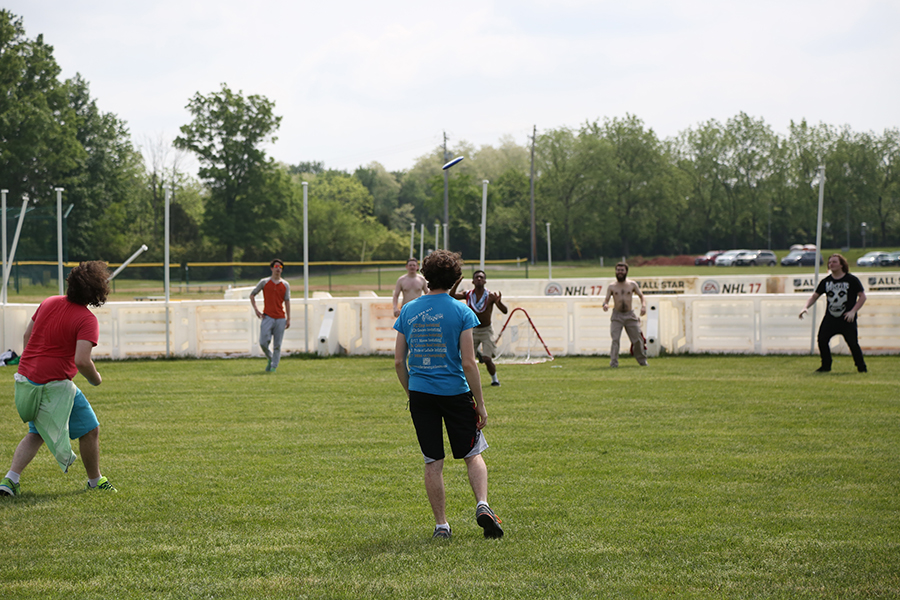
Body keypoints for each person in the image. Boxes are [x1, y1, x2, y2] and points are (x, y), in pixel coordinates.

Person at [393, 250, 504, 540]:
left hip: (421, 394)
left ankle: (442, 525)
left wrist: (411, 391)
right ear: (456, 278)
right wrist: (480, 404)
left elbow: (397, 361)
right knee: (473, 453)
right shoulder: (461, 311)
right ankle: (482, 504)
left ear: (426, 276)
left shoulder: (409, 310)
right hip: (455, 393)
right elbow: (469, 362)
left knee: (433, 461)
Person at [0, 261, 116, 497]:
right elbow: (82, 361)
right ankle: (95, 481)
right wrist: (96, 379)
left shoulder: (49, 301)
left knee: (37, 432)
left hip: (26, 381)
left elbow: (27, 335)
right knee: (90, 429)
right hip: (55, 386)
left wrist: (33, 365)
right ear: (97, 293)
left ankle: (9, 481)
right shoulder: (87, 320)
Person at [799, 253, 867, 373]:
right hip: (831, 318)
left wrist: (853, 311)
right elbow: (814, 296)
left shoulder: (851, 280)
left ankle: (861, 368)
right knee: (822, 340)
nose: (831, 264)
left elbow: (862, 297)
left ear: (841, 264)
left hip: (847, 318)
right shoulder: (826, 281)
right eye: (830, 262)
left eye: (834, 262)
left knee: (852, 343)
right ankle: (826, 366)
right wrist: (805, 307)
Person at [449, 270, 508, 387]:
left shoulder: (490, 296)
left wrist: (499, 302)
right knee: (465, 359)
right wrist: (456, 284)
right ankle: (465, 381)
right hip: (472, 330)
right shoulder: (468, 294)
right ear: (473, 281)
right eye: (477, 277)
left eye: (481, 277)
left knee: (487, 358)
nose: (479, 279)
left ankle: (494, 379)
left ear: (485, 281)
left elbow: (505, 311)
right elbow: (451, 296)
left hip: (486, 330)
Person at [602, 262, 648, 368]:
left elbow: (641, 296)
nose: (620, 272)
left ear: (626, 271)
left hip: (630, 315)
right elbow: (606, 300)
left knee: (637, 339)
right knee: (615, 340)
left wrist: (643, 306)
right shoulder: (612, 286)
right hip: (617, 316)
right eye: (618, 270)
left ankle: (642, 361)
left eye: (622, 270)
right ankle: (614, 363)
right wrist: (605, 305)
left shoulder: (632, 284)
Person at [250, 259, 291, 372]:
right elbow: (252, 295)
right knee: (263, 342)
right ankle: (271, 358)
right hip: (267, 316)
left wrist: (288, 318)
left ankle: (273, 367)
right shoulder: (264, 282)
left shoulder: (285, 285)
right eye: (276, 266)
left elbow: (287, 301)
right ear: (272, 268)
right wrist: (256, 310)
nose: (278, 268)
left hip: (280, 318)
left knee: (277, 345)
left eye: (281, 267)